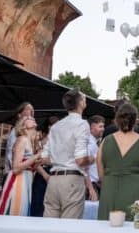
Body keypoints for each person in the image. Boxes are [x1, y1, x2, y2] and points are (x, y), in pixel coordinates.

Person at [40, 89, 92, 219]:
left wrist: (60, 159)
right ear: (80, 103)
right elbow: (80, 160)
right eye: (84, 98)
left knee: (49, 226)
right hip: (71, 179)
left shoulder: (56, 126)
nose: (85, 100)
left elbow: (44, 158)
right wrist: (92, 159)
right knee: (69, 226)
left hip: (53, 180)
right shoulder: (82, 124)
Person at [97, 103, 139, 220]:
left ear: (117, 119)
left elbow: (101, 175)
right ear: (135, 120)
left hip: (110, 192)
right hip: (137, 193)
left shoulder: (105, 142)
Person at [0, 116, 41, 215]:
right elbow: (16, 168)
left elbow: (28, 165)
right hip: (18, 180)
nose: (33, 118)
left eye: (33, 118)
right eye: (29, 118)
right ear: (23, 125)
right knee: (16, 211)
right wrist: (37, 155)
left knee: (23, 212)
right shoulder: (22, 139)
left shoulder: (30, 142)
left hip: (27, 179)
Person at [30, 116, 58, 217]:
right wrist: (44, 174)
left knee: (52, 205)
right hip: (41, 173)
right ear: (48, 127)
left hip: (55, 173)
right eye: (51, 126)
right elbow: (34, 160)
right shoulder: (39, 139)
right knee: (38, 203)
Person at [4, 102, 34, 177]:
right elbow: (10, 154)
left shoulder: (28, 135)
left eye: (32, 109)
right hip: (16, 175)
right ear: (19, 115)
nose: (31, 111)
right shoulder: (15, 132)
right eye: (27, 109)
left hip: (25, 173)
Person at [87, 115, 105, 198]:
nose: (103, 129)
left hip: (95, 185)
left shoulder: (94, 143)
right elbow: (83, 168)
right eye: (100, 126)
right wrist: (90, 188)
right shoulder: (89, 144)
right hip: (91, 186)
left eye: (103, 126)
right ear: (92, 127)